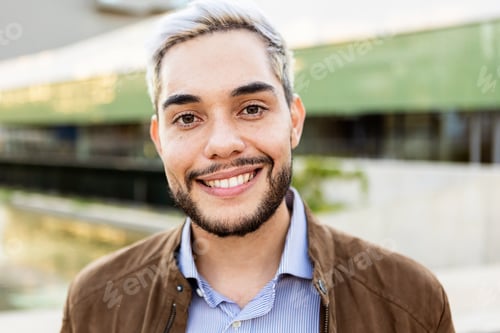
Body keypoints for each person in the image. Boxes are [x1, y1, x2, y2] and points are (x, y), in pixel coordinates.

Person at [60, 0, 455, 332]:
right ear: (159, 139)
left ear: (294, 121)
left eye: (251, 109)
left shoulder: (410, 303)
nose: (222, 144)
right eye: (187, 118)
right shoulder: (94, 305)